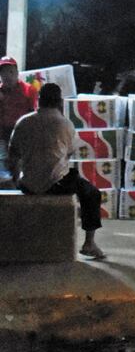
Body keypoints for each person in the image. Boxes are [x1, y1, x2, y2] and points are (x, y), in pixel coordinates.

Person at [8, 83, 105, 259]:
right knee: (92, 193)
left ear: (39, 101)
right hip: (55, 184)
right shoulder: (65, 124)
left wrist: (16, 179)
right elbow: (69, 153)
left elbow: (13, 154)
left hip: (27, 184)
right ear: (60, 102)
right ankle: (89, 243)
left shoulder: (23, 122)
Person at [0, 56, 37, 179]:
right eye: (3, 72)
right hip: (4, 135)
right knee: (5, 169)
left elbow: (34, 114)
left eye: (10, 71)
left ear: (17, 73)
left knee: (22, 167)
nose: (7, 76)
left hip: (23, 134)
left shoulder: (28, 90)